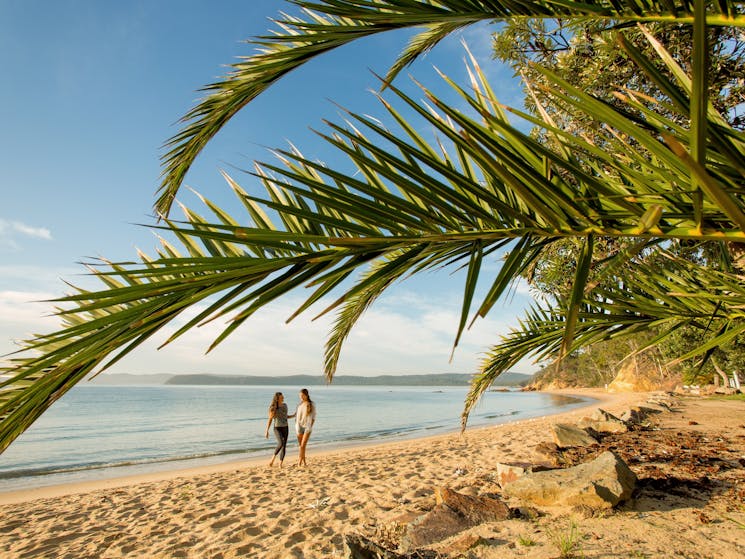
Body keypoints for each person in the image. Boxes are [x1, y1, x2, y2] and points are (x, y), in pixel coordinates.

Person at [265, 392, 292, 467]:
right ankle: (272, 459)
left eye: (283, 396)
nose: (283, 398)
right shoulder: (273, 408)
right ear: (277, 398)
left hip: (286, 427)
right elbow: (270, 419)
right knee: (281, 443)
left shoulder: (285, 405)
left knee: (284, 446)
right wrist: (267, 430)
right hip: (277, 428)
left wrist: (294, 415)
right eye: (281, 397)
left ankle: (280, 464)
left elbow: (285, 416)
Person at [294, 388, 316, 467]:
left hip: (307, 427)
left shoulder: (311, 404)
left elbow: (313, 417)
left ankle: (299, 462)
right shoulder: (299, 405)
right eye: (300, 396)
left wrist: (310, 426)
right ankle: (304, 462)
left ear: (306, 395)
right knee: (301, 446)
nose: (301, 397)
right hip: (298, 427)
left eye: (302, 395)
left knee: (303, 445)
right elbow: (297, 416)